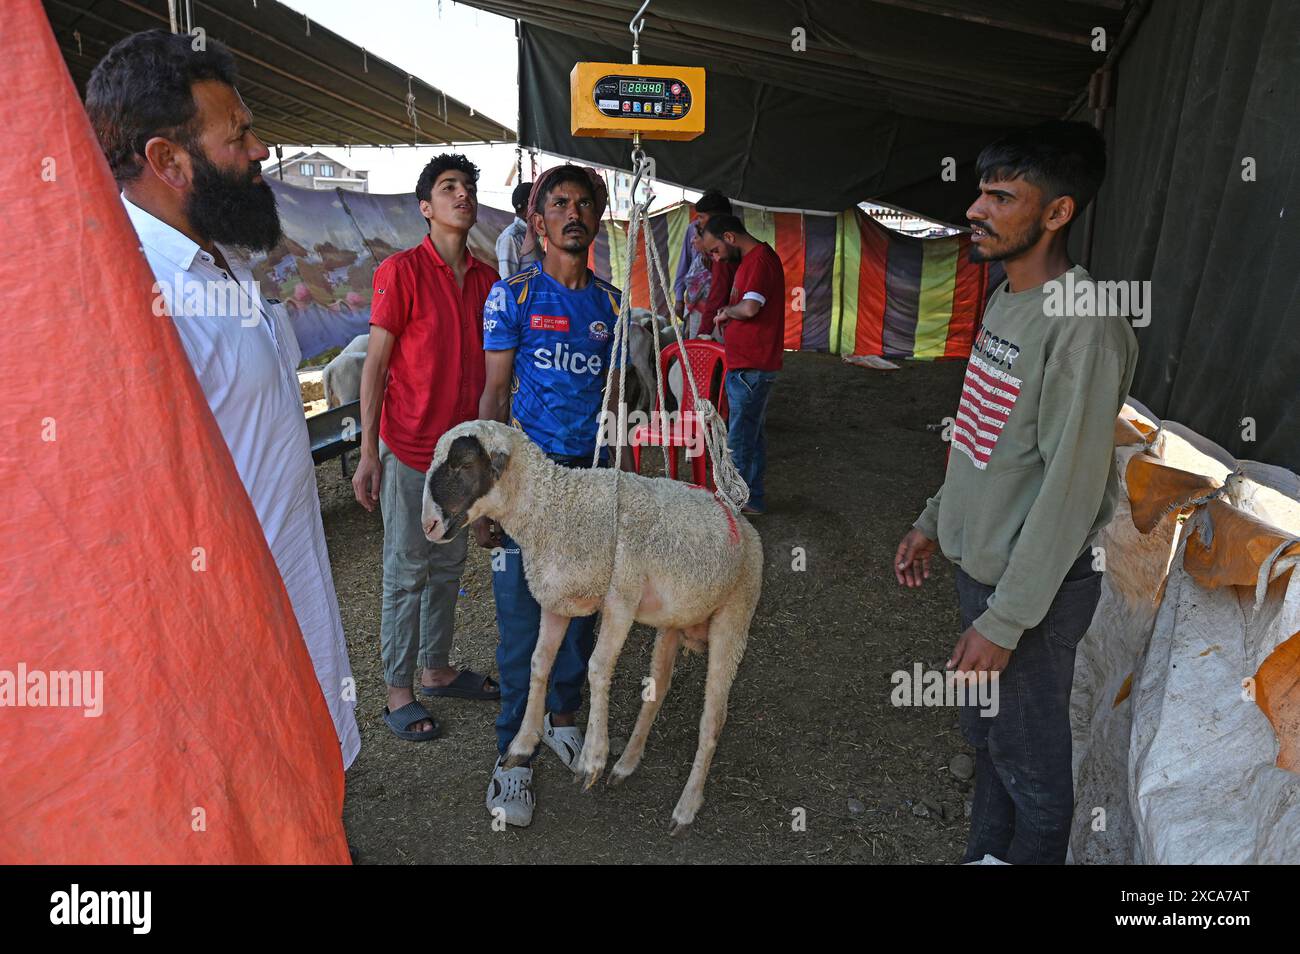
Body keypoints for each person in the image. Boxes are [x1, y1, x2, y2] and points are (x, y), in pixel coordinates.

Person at [87, 30, 360, 768]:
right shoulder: (134, 299)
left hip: (295, 598)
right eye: (238, 132)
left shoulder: (220, 257)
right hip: (228, 645)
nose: (261, 148)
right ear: (168, 161)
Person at [893, 120, 1138, 865]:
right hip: (986, 578)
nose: (976, 209)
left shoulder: (1085, 325)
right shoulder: (1006, 299)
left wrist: (1004, 624)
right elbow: (978, 432)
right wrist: (936, 520)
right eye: (980, 191)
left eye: (1001, 196)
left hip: (1032, 593)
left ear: (1057, 212)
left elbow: (1068, 494)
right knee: (991, 742)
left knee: (1033, 776)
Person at [478, 165, 630, 827]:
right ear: (537, 222)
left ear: (598, 218)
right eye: (559, 204)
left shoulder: (613, 305)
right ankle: (514, 758)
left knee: (583, 612)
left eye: (585, 203)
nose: (574, 213)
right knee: (521, 628)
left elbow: (621, 405)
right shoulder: (509, 297)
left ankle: (564, 717)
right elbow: (492, 400)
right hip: (526, 489)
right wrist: (486, 491)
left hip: (591, 489)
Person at [351, 155, 501, 742]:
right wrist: (369, 452)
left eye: (467, 187)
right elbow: (376, 367)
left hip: (463, 459)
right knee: (407, 570)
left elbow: (497, 379)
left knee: (447, 566)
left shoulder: (489, 281)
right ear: (425, 207)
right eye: (448, 188)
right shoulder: (400, 272)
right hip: (412, 451)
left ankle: (436, 670)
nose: (462, 195)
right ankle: (398, 692)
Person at [698, 214, 786, 516]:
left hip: (753, 366)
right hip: (749, 364)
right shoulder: (751, 261)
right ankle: (753, 499)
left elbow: (750, 308)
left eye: (715, 251)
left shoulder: (760, 261)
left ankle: (731, 505)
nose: (715, 257)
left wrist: (726, 313)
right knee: (751, 433)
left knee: (738, 439)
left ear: (730, 237)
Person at [495, 180, 537, 280]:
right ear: (528, 205)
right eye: (538, 201)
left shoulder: (535, 233)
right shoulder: (511, 237)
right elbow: (507, 281)